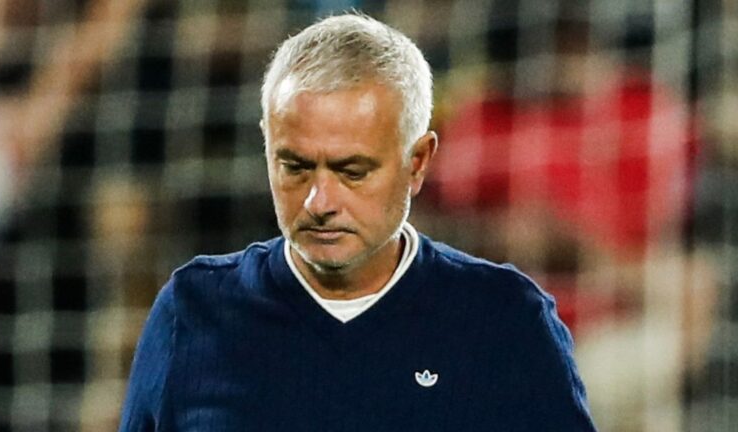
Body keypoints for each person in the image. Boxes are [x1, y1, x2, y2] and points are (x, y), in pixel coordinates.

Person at [119, 13, 596, 431]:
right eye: (295, 167)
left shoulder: (506, 321)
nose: (319, 202)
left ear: (417, 162)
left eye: (352, 171)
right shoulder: (193, 312)